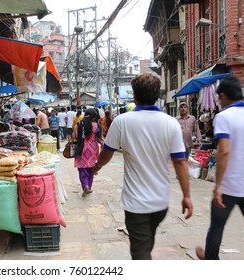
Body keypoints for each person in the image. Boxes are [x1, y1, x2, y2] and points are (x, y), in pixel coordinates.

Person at [92, 73, 193, 260]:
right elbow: (180, 161)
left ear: (135, 96)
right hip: (160, 203)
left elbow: (107, 153)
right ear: (158, 96)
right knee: (146, 244)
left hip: (135, 203)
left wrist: (96, 167)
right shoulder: (170, 123)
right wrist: (186, 196)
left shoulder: (122, 121)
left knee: (140, 252)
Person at [195, 74, 244, 260]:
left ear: (223, 95)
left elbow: (223, 152)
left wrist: (218, 186)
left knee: (217, 226)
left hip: (229, 186)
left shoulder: (224, 117)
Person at [73, 108, 103, 198]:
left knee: (82, 169)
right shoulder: (97, 126)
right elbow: (99, 139)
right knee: (91, 170)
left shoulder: (79, 124)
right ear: (94, 117)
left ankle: (85, 186)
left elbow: (74, 136)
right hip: (93, 150)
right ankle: (89, 187)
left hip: (81, 149)